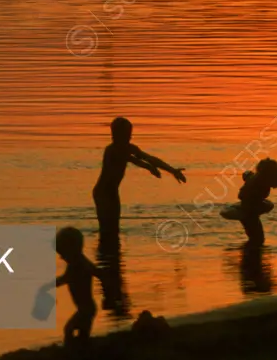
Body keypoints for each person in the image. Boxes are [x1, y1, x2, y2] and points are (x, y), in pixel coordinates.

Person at [93, 117, 186, 245]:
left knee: (114, 229)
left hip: (113, 192)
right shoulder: (112, 150)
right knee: (107, 229)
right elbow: (134, 160)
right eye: (126, 134)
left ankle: (111, 256)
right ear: (115, 134)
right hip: (103, 193)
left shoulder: (129, 147)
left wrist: (172, 170)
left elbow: (149, 158)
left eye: (130, 134)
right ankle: (105, 254)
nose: (129, 137)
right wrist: (149, 167)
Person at [55, 227, 102, 346]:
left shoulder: (77, 265)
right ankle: (82, 349)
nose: (61, 258)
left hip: (85, 309)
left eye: (63, 254)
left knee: (68, 329)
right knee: (82, 332)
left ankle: (70, 350)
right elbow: (96, 271)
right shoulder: (80, 262)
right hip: (86, 308)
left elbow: (64, 279)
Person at [223, 158, 277, 246]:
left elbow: (246, 175)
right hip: (249, 211)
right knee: (258, 239)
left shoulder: (256, 178)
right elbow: (244, 195)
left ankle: (249, 253)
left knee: (256, 238)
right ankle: (250, 255)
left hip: (249, 207)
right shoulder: (260, 184)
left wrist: (247, 174)